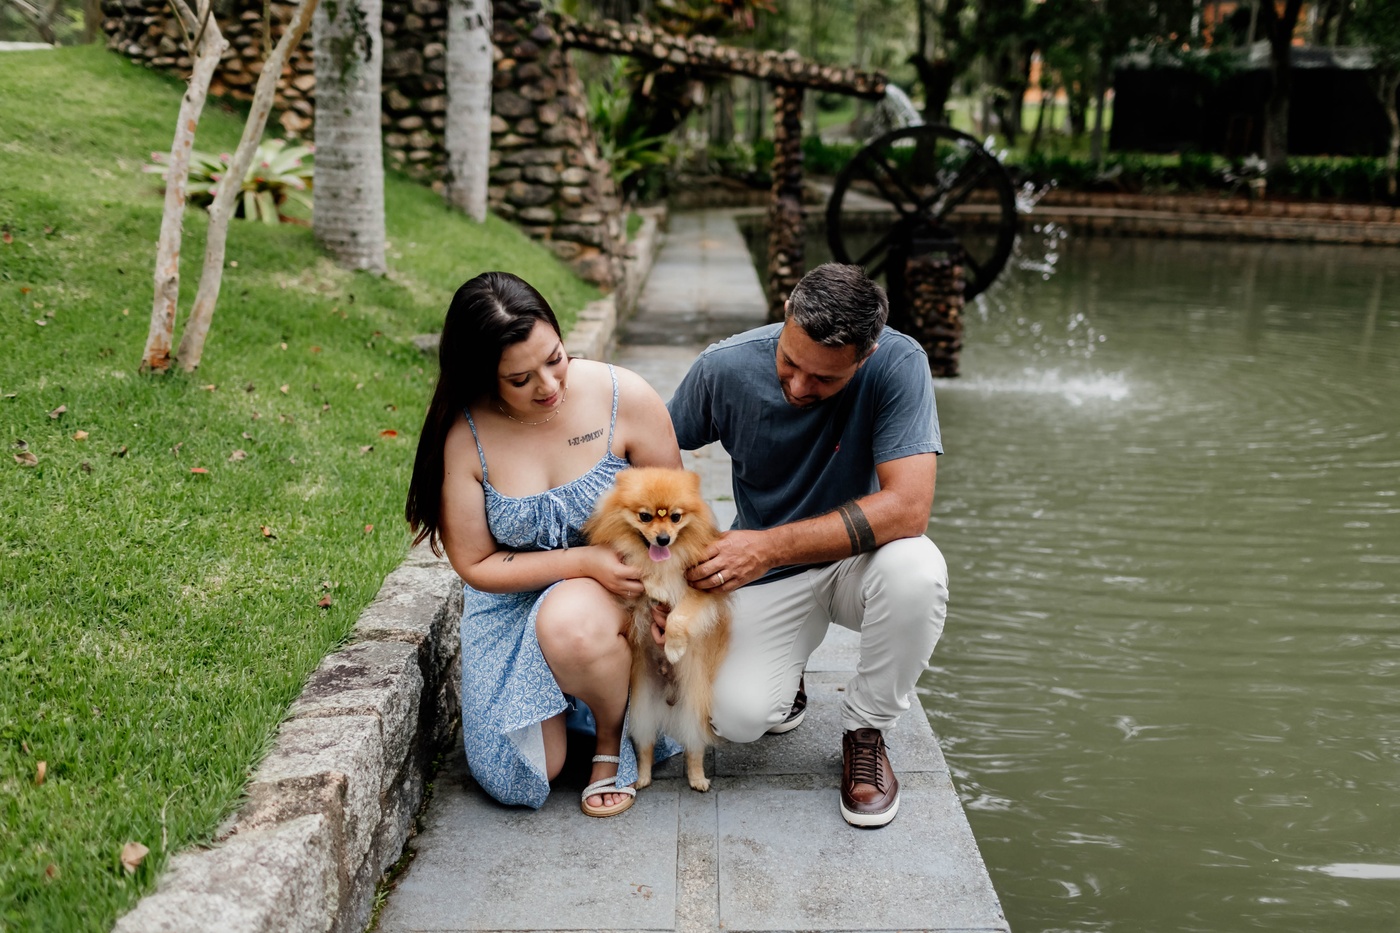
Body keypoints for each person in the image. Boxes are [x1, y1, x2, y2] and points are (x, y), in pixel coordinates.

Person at [661, 262, 948, 828]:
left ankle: (866, 731)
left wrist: (766, 548)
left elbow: (909, 507)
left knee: (919, 571)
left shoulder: (899, 361)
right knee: (735, 719)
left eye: (824, 379)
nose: (797, 387)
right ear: (787, 314)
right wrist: (666, 582)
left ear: (865, 356)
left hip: (860, 565)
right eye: (790, 363)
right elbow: (647, 452)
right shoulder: (724, 366)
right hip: (768, 576)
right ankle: (786, 678)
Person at [406, 271, 682, 818]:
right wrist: (582, 560)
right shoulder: (466, 437)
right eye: (520, 379)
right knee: (517, 777)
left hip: (618, 592)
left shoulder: (622, 396)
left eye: (555, 359)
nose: (549, 385)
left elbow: (677, 518)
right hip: (509, 602)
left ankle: (610, 738)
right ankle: (579, 706)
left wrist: (667, 603)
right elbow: (475, 562)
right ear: (483, 377)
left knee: (570, 625)